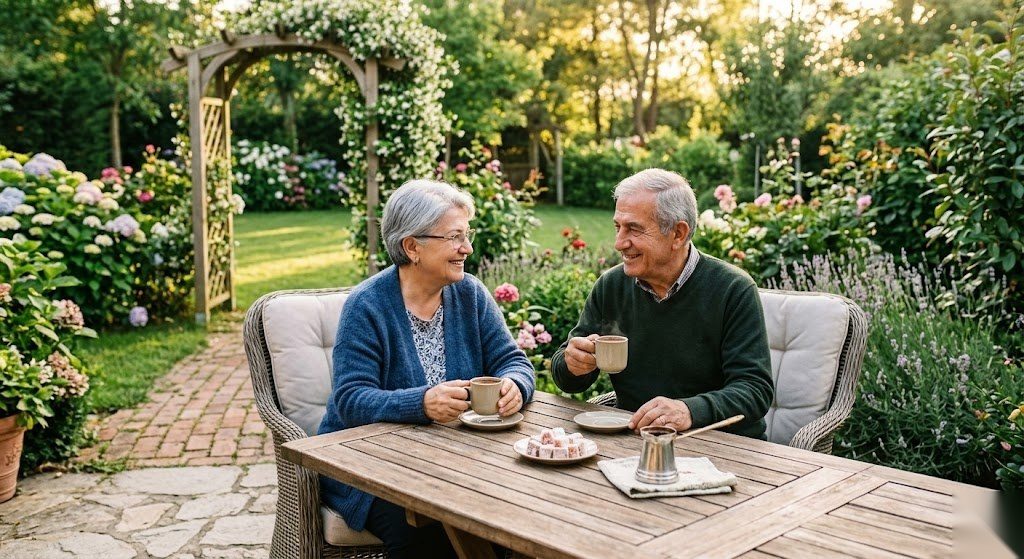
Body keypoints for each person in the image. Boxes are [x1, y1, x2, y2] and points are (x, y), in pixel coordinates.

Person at [317, 179, 535, 558]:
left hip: (457, 458)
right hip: (373, 467)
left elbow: (513, 360)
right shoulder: (367, 306)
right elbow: (351, 399)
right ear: (412, 247)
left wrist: (515, 384)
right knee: (427, 533)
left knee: (516, 515)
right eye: (454, 237)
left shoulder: (470, 294)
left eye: (467, 235)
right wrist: (421, 403)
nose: (466, 248)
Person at [551, 168, 774, 439]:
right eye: (617, 227)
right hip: (637, 441)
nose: (619, 243)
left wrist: (689, 410)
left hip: (725, 445)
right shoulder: (611, 286)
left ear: (678, 234)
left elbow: (755, 390)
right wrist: (572, 364)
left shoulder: (733, 289)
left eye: (634, 228)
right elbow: (565, 375)